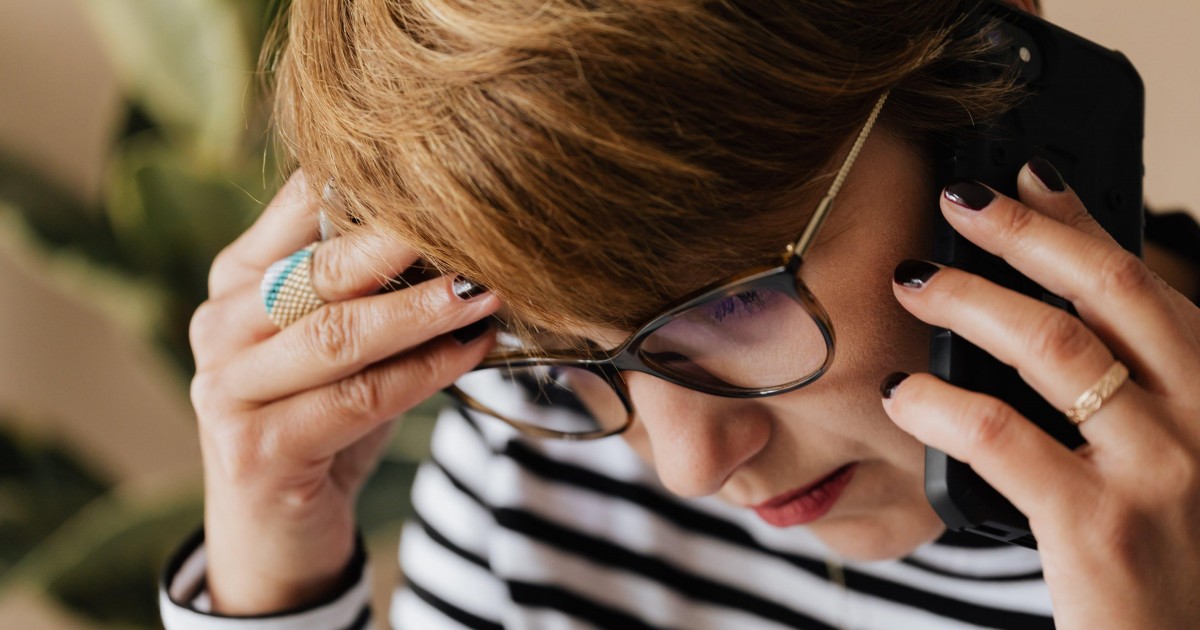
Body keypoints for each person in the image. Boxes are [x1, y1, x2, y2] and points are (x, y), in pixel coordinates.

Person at [159, 0, 1200, 628]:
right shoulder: (544, 456)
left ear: (992, 87)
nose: (687, 465)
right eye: (560, 351)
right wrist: (271, 575)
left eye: (739, 300)